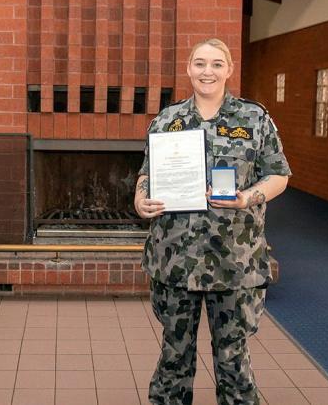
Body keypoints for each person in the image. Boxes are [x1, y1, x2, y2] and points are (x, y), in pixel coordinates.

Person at [134, 38, 291, 405]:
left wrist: (246, 198)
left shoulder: (254, 118)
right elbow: (146, 174)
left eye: (217, 64)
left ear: (229, 69)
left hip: (234, 262)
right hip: (175, 259)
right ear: (188, 68)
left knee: (234, 362)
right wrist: (141, 199)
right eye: (200, 63)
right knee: (174, 358)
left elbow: (279, 176)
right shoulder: (167, 120)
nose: (208, 71)